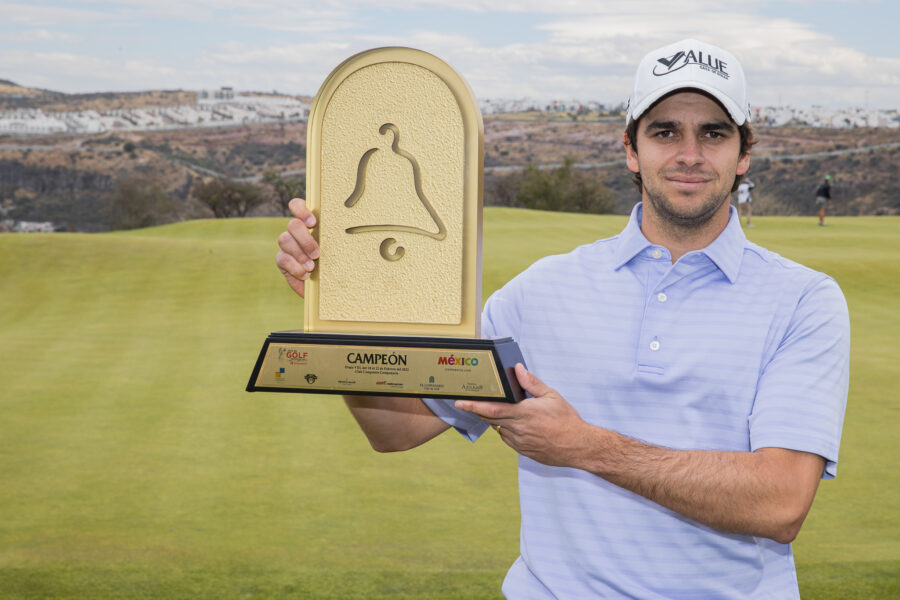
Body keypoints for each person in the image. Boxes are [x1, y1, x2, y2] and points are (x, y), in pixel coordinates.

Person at [275, 39, 850, 599]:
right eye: (665, 130)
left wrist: (583, 445)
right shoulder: (538, 292)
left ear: (743, 152)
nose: (689, 154)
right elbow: (395, 430)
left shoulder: (803, 300)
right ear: (631, 149)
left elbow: (780, 503)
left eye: (714, 133)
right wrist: (345, 306)